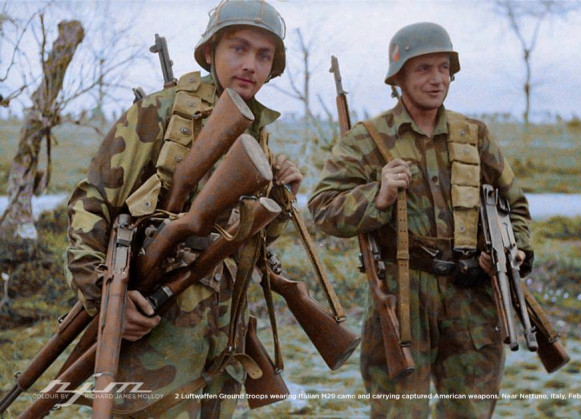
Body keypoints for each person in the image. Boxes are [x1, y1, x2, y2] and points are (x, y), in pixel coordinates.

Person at [65, 0, 302, 417]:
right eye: (238, 48)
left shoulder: (259, 134)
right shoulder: (159, 113)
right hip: (154, 348)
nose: (250, 64)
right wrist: (105, 298)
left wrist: (280, 203)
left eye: (264, 55)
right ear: (210, 52)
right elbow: (92, 204)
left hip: (222, 350)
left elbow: (250, 241)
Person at [309, 22, 533, 418]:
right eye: (423, 69)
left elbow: (513, 203)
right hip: (402, 296)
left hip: (472, 297)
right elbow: (323, 208)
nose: (437, 79)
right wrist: (376, 195)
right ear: (398, 78)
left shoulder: (474, 135)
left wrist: (516, 249)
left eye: (444, 68)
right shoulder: (367, 139)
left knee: (471, 412)